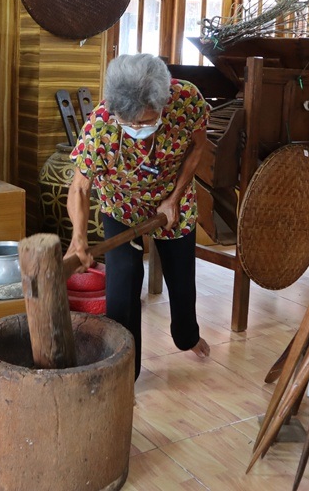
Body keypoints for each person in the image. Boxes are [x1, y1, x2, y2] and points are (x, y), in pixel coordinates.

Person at [66, 53, 211, 380]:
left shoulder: (186, 99)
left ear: (163, 102)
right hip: (121, 203)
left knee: (181, 280)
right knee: (123, 286)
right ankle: (124, 372)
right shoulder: (101, 126)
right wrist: (78, 238)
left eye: (145, 122)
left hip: (172, 198)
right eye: (128, 122)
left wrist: (174, 198)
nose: (136, 129)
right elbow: (79, 188)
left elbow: (198, 147)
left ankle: (186, 336)